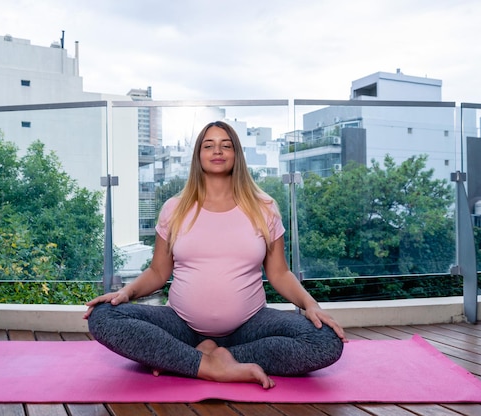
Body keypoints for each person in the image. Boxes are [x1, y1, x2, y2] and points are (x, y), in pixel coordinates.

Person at [84, 120, 346, 389]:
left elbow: (279, 273)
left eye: (226, 145)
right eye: (209, 145)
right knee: (103, 316)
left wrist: (310, 304)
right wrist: (126, 293)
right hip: (181, 327)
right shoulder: (174, 208)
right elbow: (158, 272)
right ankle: (208, 365)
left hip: (249, 328)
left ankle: (207, 358)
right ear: (199, 155)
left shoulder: (264, 207)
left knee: (325, 341)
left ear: (236, 155)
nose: (217, 151)